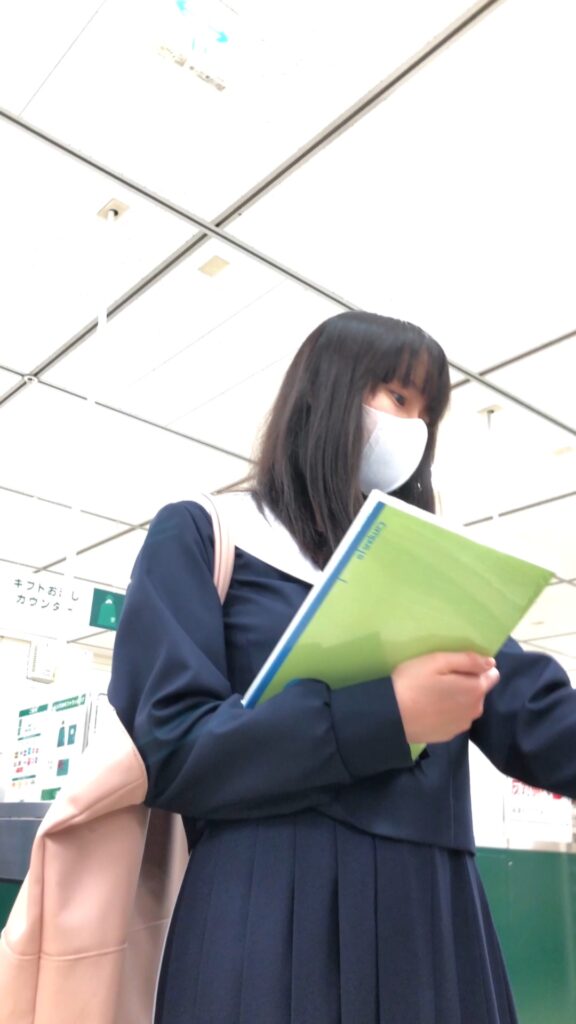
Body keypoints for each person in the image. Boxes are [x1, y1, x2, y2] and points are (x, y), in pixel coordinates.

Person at [108, 310, 576, 1024]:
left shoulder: (426, 564)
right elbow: (167, 745)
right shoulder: (208, 531)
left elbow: (534, 712)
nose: (411, 428)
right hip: (263, 906)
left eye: (426, 413)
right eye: (397, 395)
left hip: (432, 917)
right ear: (325, 391)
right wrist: (385, 715)